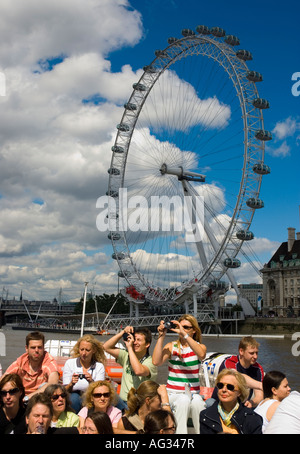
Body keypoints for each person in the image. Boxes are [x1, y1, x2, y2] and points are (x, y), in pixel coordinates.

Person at [152, 314, 207, 434]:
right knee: (183, 400)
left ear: (194, 330)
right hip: (174, 393)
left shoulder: (199, 347)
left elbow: (201, 355)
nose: (182, 329)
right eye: (180, 327)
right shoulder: (172, 346)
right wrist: (161, 336)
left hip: (193, 394)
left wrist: (185, 335)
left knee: (198, 402)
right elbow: (156, 362)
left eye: (186, 327)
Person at [103, 326, 157, 408]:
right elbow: (106, 347)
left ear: (147, 344)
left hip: (139, 404)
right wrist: (122, 333)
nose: (134, 342)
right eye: (134, 339)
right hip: (122, 402)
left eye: (139, 340)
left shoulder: (151, 362)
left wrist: (130, 348)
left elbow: (138, 371)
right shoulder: (126, 355)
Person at [199, 368, 263, 434]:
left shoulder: (253, 418)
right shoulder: (205, 416)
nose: (224, 390)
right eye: (220, 386)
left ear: (239, 392)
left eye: (230, 387)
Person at [209, 336, 264, 407]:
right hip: (219, 403)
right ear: (241, 351)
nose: (255, 356)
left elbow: (259, 396)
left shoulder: (258, 368)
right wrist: (260, 385)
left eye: (256, 353)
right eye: (251, 353)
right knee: (209, 403)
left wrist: (252, 403)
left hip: (241, 406)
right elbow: (239, 378)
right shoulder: (229, 362)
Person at [4, 331, 59, 401]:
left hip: (40, 399)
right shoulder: (20, 363)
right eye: (33, 347)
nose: (36, 350)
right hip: (20, 397)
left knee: (46, 385)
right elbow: (3, 379)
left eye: (39, 347)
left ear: (43, 348)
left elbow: (53, 383)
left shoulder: (49, 362)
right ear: (26, 348)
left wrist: (27, 398)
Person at [63, 334, 106, 413]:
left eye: (87, 350)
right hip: (73, 394)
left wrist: (91, 382)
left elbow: (100, 390)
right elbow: (64, 390)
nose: (83, 353)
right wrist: (71, 383)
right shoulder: (70, 363)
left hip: (91, 395)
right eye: (81, 349)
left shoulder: (99, 366)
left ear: (94, 350)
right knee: (74, 399)